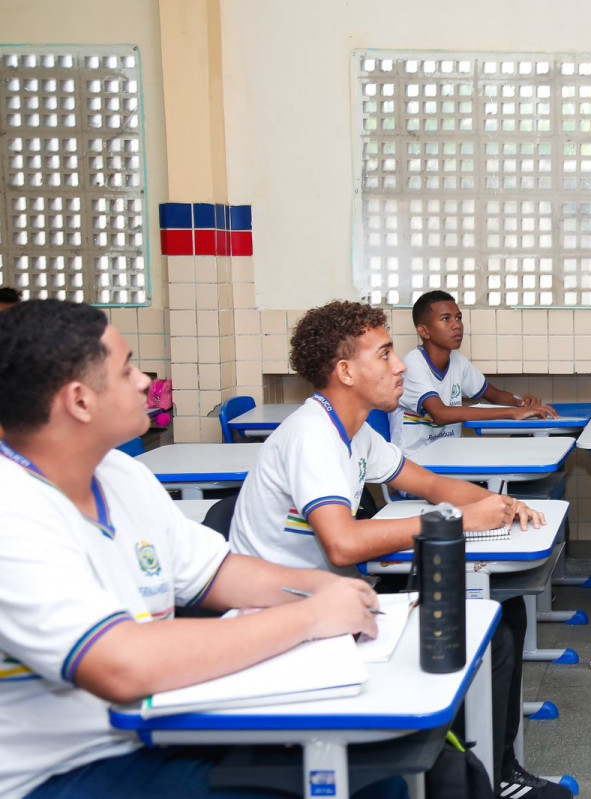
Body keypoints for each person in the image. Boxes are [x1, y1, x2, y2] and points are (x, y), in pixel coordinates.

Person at [0, 300, 401, 798]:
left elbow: (219, 573)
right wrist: (312, 616)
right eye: (126, 370)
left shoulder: (120, 474)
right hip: (65, 771)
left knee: (378, 775)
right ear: (81, 401)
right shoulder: (11, 510)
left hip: (159, 728)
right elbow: (121, 666)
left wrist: (328, 587)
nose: (145, 381)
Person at [229, 300, 571, 799]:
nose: (398, 367)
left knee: (502, 614)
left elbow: (431, 484)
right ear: (346, 371)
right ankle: (477, 773)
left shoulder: (355, 431)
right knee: (490, 626)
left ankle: (495, 769)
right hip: (284, 617)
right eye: (385, 354)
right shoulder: (312, 437)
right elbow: (343, 543)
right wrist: (455, 521)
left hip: (335, 599)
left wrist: (499, 502)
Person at [389, 290, 557, 452]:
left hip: (448, 457)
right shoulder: (413, 364)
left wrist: (522, 404)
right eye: (446, 319)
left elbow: (495, 395)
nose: (457, 325)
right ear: (424, 331)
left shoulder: (457, 361)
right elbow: (440, 414)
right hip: (414, 462)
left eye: (459, 318)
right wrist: (513, 413)